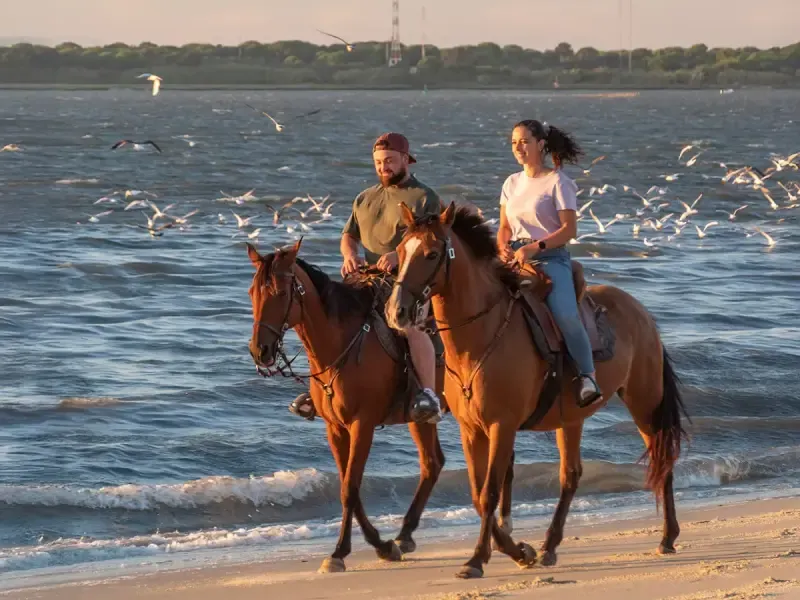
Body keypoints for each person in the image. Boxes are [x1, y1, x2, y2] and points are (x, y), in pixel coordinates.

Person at [289, 132, 445, 424]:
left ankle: (428, 395)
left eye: (389, 161)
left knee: (410, 327)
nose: (383, 167)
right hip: (366, 279)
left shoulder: (424, 197)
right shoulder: (365, 197)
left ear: (405, 160)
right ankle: (321, 390)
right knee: (326, 317)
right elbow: (349, 235)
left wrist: (399, 256)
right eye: (378, 162)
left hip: (409, 281)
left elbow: (431, 241)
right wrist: (350, 256)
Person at [496, 119, 602, 408]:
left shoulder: (558, 182)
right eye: (514, 142)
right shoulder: (511, 182)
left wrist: (534, 247)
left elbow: (569, 230)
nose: (518, 147)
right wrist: (502, 246)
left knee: (566, 315)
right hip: (514, 256)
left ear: (541, 144)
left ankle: (587, 376)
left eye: (524, 141)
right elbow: (505, 225)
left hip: (549, 258)